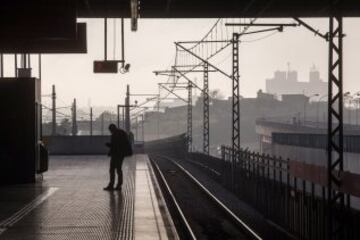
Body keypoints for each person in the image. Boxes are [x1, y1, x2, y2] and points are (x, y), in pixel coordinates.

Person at [104, 124, 130, 191]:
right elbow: (125, 143)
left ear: (112, 129)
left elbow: (115, 145)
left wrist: (108, 145)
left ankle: (111, 185)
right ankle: (118, 185)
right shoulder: (122, 132)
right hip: (121, 154)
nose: (110, 132)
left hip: (116, 154)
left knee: (113, 169)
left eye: (110, 130)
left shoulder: (115, 134)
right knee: (118, 169)